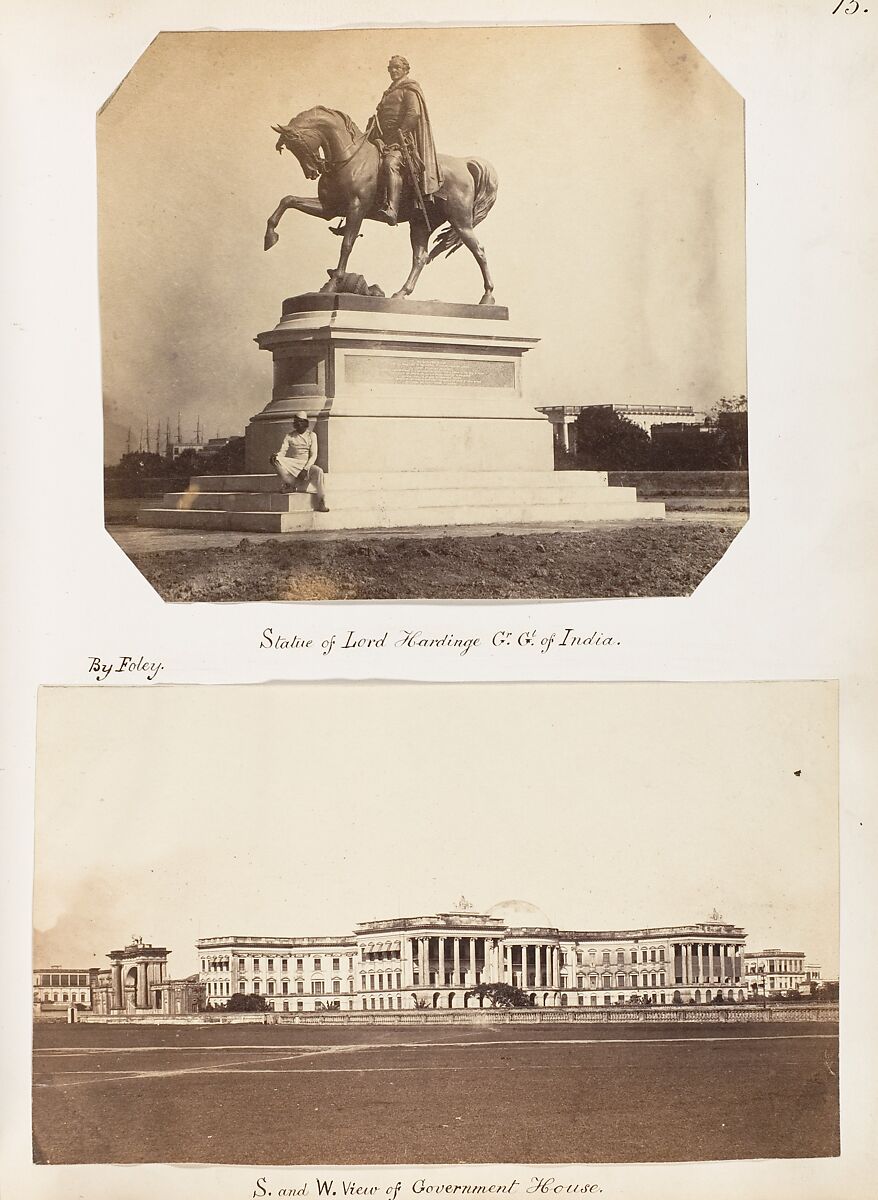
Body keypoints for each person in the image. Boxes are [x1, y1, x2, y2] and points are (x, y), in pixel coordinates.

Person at [368, 56, 443, 226]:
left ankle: (392, 209)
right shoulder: (388, 93)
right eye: (390, 68)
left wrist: (399, 136)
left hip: (404, 142)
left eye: (397, 68)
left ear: (405, 70)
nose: (393, 71)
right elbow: (380, 119)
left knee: (390, 163)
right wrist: (377, 138)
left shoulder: (409, 89)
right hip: (384, 141)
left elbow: (413, 114)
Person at [269, 412, 329, 512]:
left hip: (307, 464)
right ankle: (290, 484)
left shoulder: (312, 435)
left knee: (319, 471)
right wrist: (276, 455)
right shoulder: (290, 436)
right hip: (294, 464)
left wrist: (305, 469)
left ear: (305, 423)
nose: (299, 424)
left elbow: (314, 455)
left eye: (301, 422)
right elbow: (283, 451)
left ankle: (321, 501)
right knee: (276, 460)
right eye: (296, 422)